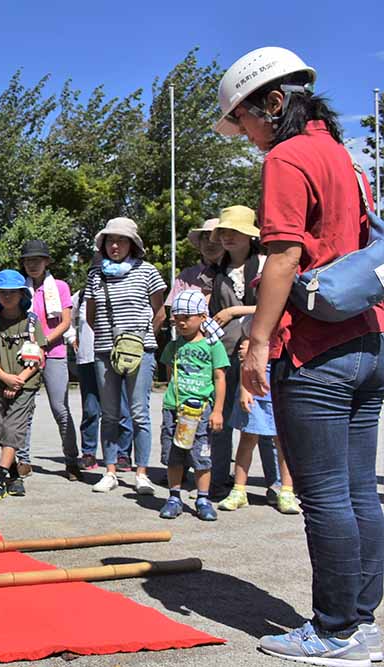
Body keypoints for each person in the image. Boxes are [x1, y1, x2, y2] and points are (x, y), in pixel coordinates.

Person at [217, 46, 384, 665]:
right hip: (367, 338)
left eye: (247, 121)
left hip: (312, 347)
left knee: (326, 497)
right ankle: (361, 621)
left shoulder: (288, 157)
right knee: (360, 490)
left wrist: (257, 343)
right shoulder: (345, 157)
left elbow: (283, 255)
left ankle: (334, 630)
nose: (248, 137)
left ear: (276, 103)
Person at [85, 218, 166, 495]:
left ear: (132, 244)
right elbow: (90, 314)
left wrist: (140, 340)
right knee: (108, 413)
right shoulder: (95, 275)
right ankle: (109, 470)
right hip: (105, 351)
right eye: (110, 240)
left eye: (120, 240)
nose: (115, 245)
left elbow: (160, 312)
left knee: (139, 412)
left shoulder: (148, 272)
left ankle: (141, 473)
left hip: (141, 352)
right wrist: (110, 339)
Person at [208, 205, 279, 499]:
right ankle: (219, 479)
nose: (227, 237)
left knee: (262, 419)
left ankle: (275, 484)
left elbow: (274, 306)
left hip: (259, 350)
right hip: (224, 350)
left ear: (250, 236)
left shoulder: (265, 264)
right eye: (223, 232)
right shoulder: (217, 271)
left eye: (234, 232)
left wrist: (234, 310)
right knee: (220, 417)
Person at [157, 290, 228, 522]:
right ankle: (174, 496)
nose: (182, 322)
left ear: (202, 317)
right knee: (174, 455)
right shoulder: (173, 346)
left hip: (201, 410)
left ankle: (203, 499)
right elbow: (170, 375)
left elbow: (219, 378)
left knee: (201, 456)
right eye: (177, 317)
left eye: (188, 317)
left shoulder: (213, 346)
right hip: (174, 409)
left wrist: (217, 410)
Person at [0, 270, 47, 501]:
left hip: (26, 385)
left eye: (12, 292)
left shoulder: (31, 321)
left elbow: (39, 355)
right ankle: (14, 475)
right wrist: (4, 377)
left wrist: (18, 381)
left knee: (12, 429)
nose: (7, 297)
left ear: (21, 294)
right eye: (3, 293)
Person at [18, 240, 78, 480]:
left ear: (47, 262)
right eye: (28, 260)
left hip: (53, 352)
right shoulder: (20, 288)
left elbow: (65, 322)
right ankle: (22, 459)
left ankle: (72, 460)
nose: (33, 265)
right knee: (24, 408)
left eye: (37, 260)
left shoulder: (60, 287)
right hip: (26, 352)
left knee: (60, 408)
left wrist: (42, 342)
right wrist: (31, 345)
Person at [220, 335, 300, 514]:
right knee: (247, 439)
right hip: (254, 388)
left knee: (282, 442)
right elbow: (245, 358)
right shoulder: (254, 325)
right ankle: (239, 490)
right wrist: (244, 389)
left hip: (281, 386)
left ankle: (287, 491)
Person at [72, 282, 134, 472]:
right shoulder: (80, 295)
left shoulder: (123, 289)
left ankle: (123, 454)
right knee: (91, 409)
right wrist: (72, 339)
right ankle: (89, 453)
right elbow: (70, 320)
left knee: (122, 408)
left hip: (114, 357)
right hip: (88, 359)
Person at [166, 218, 223, 306]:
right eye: (206, 238)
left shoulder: (234, 272)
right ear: (199, 243)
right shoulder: (185, 277)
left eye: (216, 239)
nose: (210, 243)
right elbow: (174, 314)